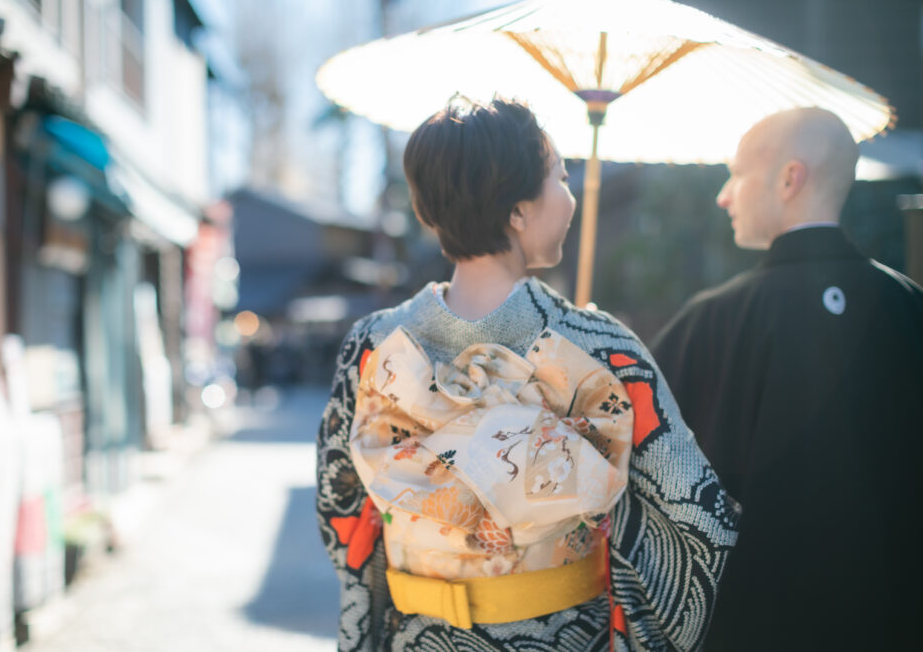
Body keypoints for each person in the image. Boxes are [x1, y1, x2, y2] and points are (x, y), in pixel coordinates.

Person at [316, 98, 739, 651]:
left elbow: (341, 507)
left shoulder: (372, 346)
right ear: (518, 211)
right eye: (561, 178)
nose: (570, 199)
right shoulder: (599, 346)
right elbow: (696, 514)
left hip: (416, 636)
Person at [650, 108, 923, 650]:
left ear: (790, 178)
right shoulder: (908, 307)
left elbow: (642, 462)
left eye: (737, 174)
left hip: (752, 627)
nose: (724, 195)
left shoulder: (714, 319)